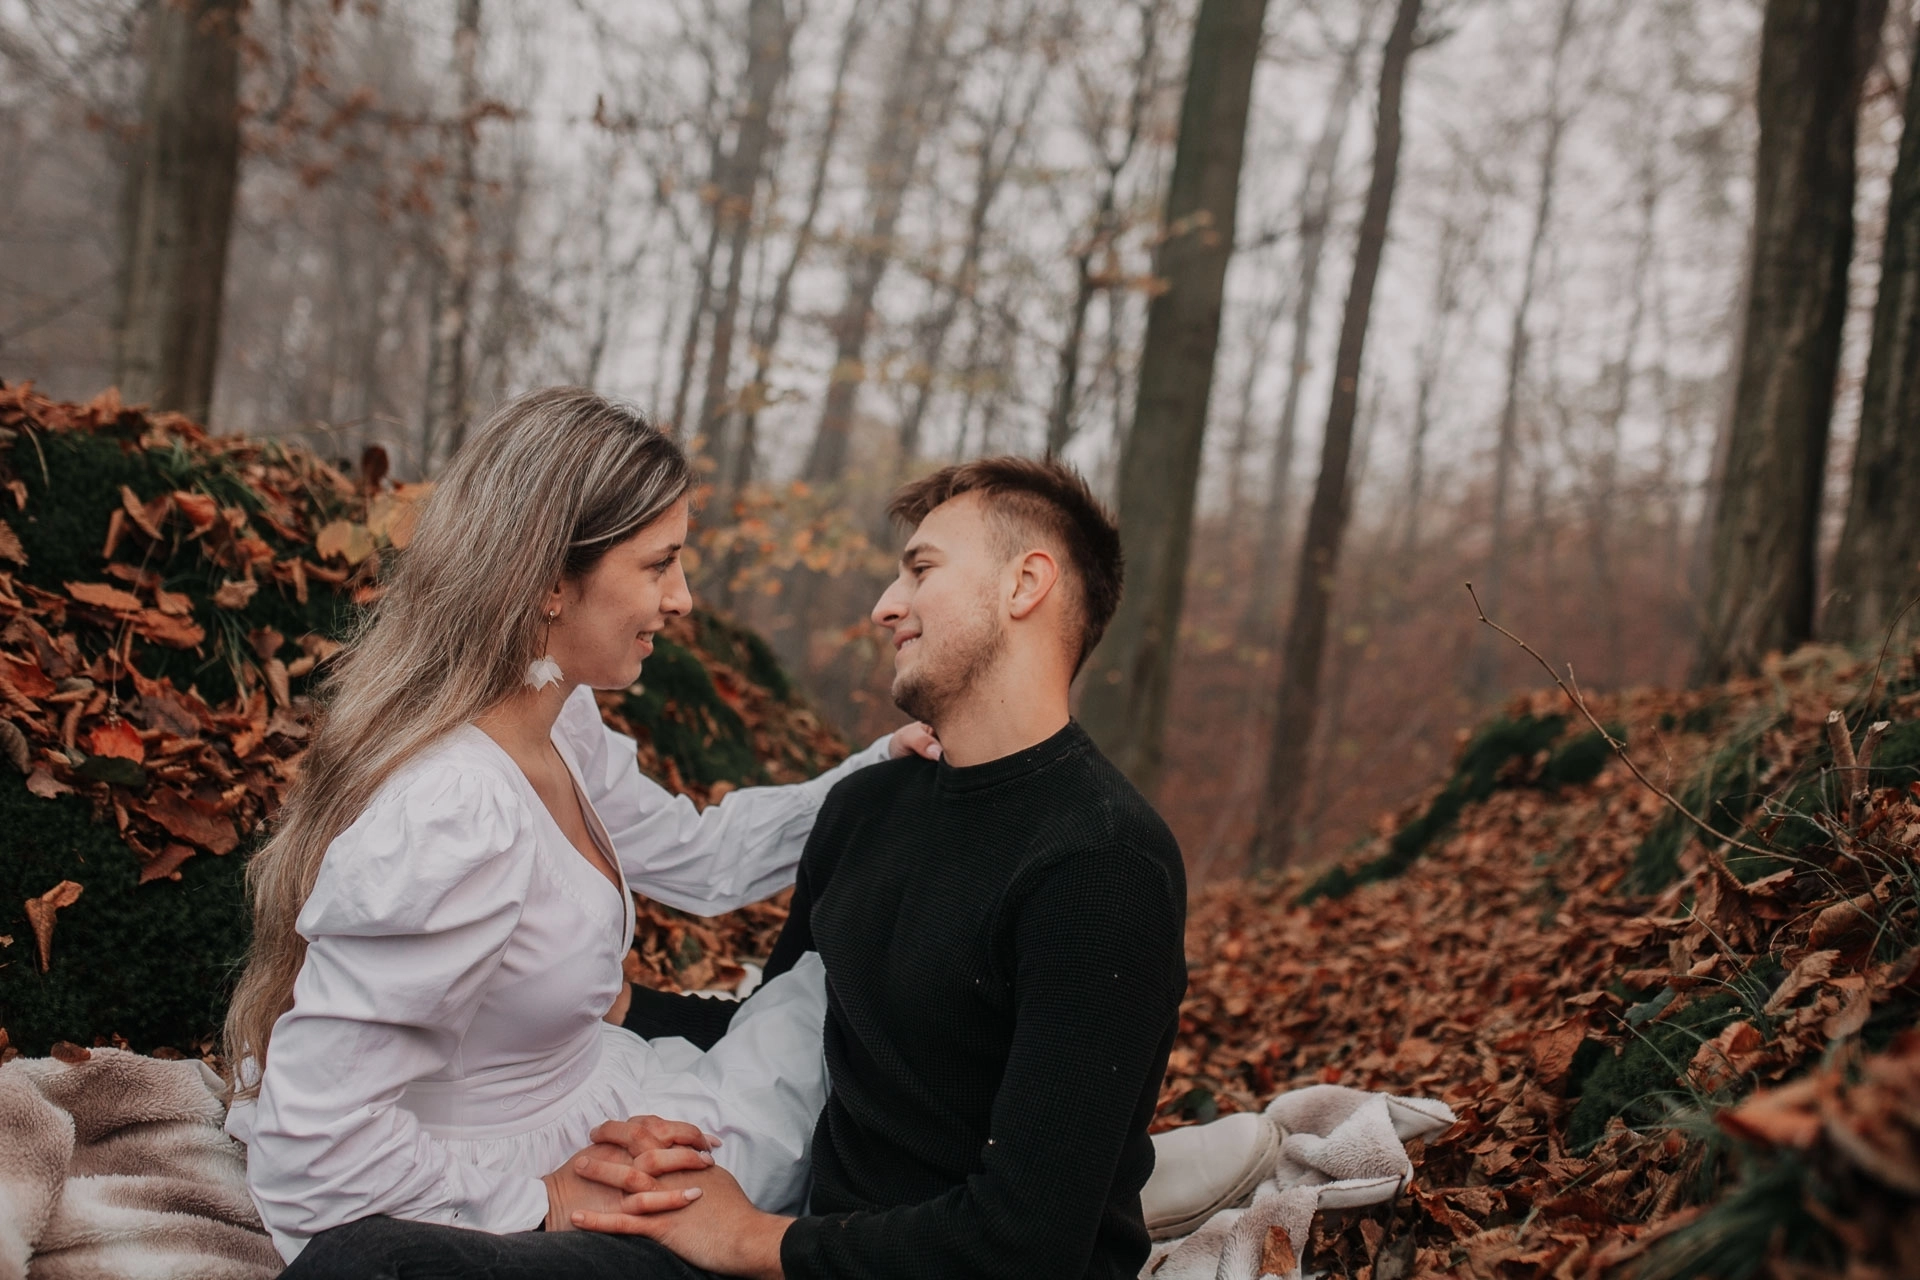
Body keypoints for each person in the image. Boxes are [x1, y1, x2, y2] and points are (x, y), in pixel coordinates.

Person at [286, 455, 1199, 1280]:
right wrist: (632, 1018)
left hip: (829, 1255)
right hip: (796, 1242)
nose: (885, 605)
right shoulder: (869, 811)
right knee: (368, 1260)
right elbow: (799, 1020)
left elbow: (1027, 1244)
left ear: (1025, 584)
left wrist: (751, 1240)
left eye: (920, 569)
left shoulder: (1100, 863)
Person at [220, 387, 938, 1263]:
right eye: (659, 565)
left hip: (596, 1090)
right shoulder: (456, 811)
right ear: (551, 584)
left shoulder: (560, 720)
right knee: (807, 1058)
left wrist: (876, 772)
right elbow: (313, 1151)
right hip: (471, 1174)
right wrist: (546, 1200)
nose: (682, 599)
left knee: (817, 1013)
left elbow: (699, 856)